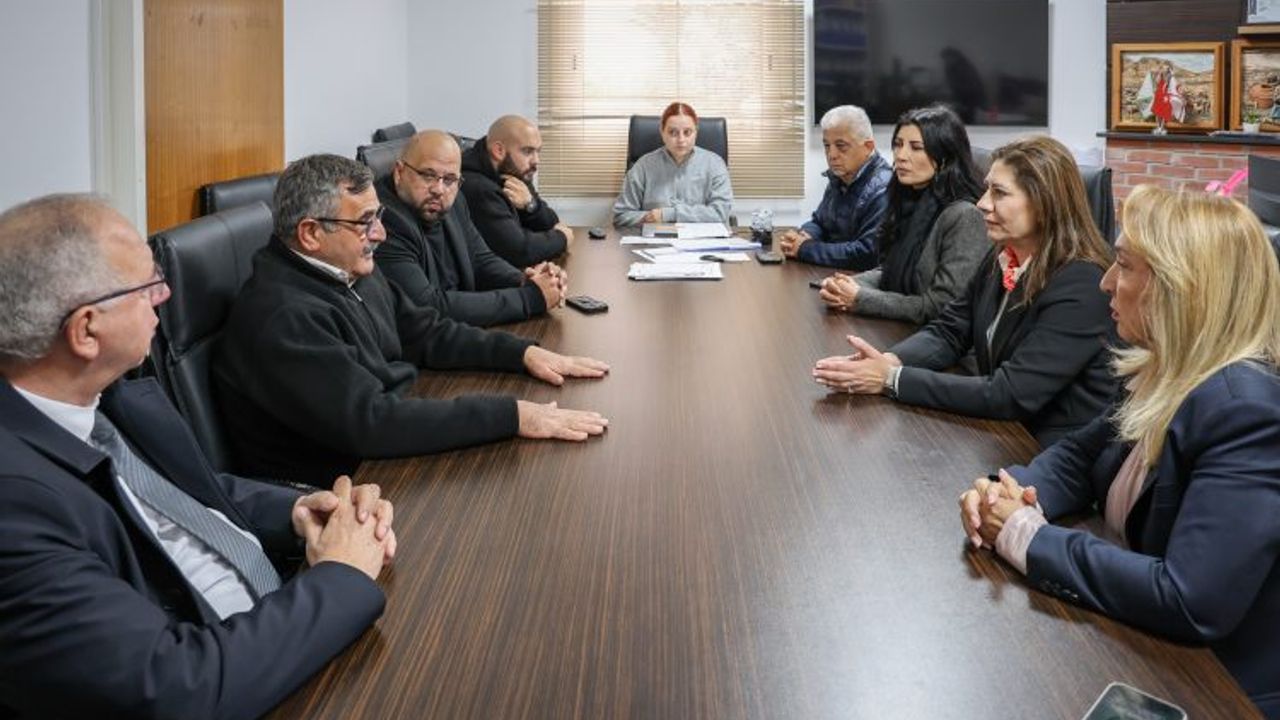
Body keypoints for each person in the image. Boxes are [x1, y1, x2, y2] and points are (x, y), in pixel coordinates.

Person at [0, 194, 395, 719]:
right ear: (87, 330)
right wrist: (341, 575)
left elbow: (189, 493)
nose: (165, 295)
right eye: (147, 285)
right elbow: (173, 688)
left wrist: (298, 511)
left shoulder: (102, 395)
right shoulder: (14, 507)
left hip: (276, 625)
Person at [959, 185, 1280, 718]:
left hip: (1217, 690)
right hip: (1141, 645)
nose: (1106, 282)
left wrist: (1023, 533)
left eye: (1124, 266)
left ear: (1181, 288)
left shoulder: (1247, 411)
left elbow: (1189, 598)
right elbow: (1079, 457)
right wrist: (1006, 493)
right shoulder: (1163, 367)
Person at [214, 154, 609, 488]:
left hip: (388, 443)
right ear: (311, 233)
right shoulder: (283, 316)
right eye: (365, 222)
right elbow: (371, 422)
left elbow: (425, 331)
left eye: (379, 216)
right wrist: (512, 415)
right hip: (341, 487)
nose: (380, 234)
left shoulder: (346, 269)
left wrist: (522, 353)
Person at [812, 136, 1116, 447]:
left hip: (1050, 453)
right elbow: (950, 331)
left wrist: (890, 379)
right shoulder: (1003, 255)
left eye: (999, 193)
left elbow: (1010, 393)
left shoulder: (1083, 282)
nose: (982, 203)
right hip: (1005, 434)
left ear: (1044, 204)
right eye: (987, 189)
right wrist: (889, 360)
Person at [813, 104, 988, 324]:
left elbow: (941, 307)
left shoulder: (965, 217)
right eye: (898, 144)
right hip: (898, 327)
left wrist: (860, 298)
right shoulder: (907, 199)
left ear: (944, 155)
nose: (901, 156)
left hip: (933, 336)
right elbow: (890, 271)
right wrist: (846, 285)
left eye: (916, 147)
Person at [378, 130, 567, 328]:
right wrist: (529, 298)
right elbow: (427, 306)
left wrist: (526, 280)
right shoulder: (382, 220)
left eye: (449, 179)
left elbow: (479, 259)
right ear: (399, 173)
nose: (439, 189)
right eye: (428, 175)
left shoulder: (454, 201)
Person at [777, 104, 892, 270]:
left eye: (841, 146)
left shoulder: (883, 189)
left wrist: (804, 249)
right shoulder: (839, 177)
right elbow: (820, 222)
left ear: (868, 147)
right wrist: (804, 235)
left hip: (858, 279)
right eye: (827, 145)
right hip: (833, 273)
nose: (831, 155)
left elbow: (867, 254)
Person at [460, 114, 573, 268]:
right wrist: (562, 238)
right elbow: (519, 251)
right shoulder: (477, 188)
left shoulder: (514, 174)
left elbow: (551, 223)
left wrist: (530, 205)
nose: (536, 161)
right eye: (528, 151)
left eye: (538, 151)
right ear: (499, 150)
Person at [612, 102, 733, 227]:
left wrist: (667, 215)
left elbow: (720, 213)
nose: (681, 140)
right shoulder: (643, 166)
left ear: (696, 132)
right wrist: (649, 217)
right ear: (662, 132)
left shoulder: (715, 164)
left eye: (687, 132)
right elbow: (621, 215)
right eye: (673, 133)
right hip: (654, 236)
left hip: (703, 238)